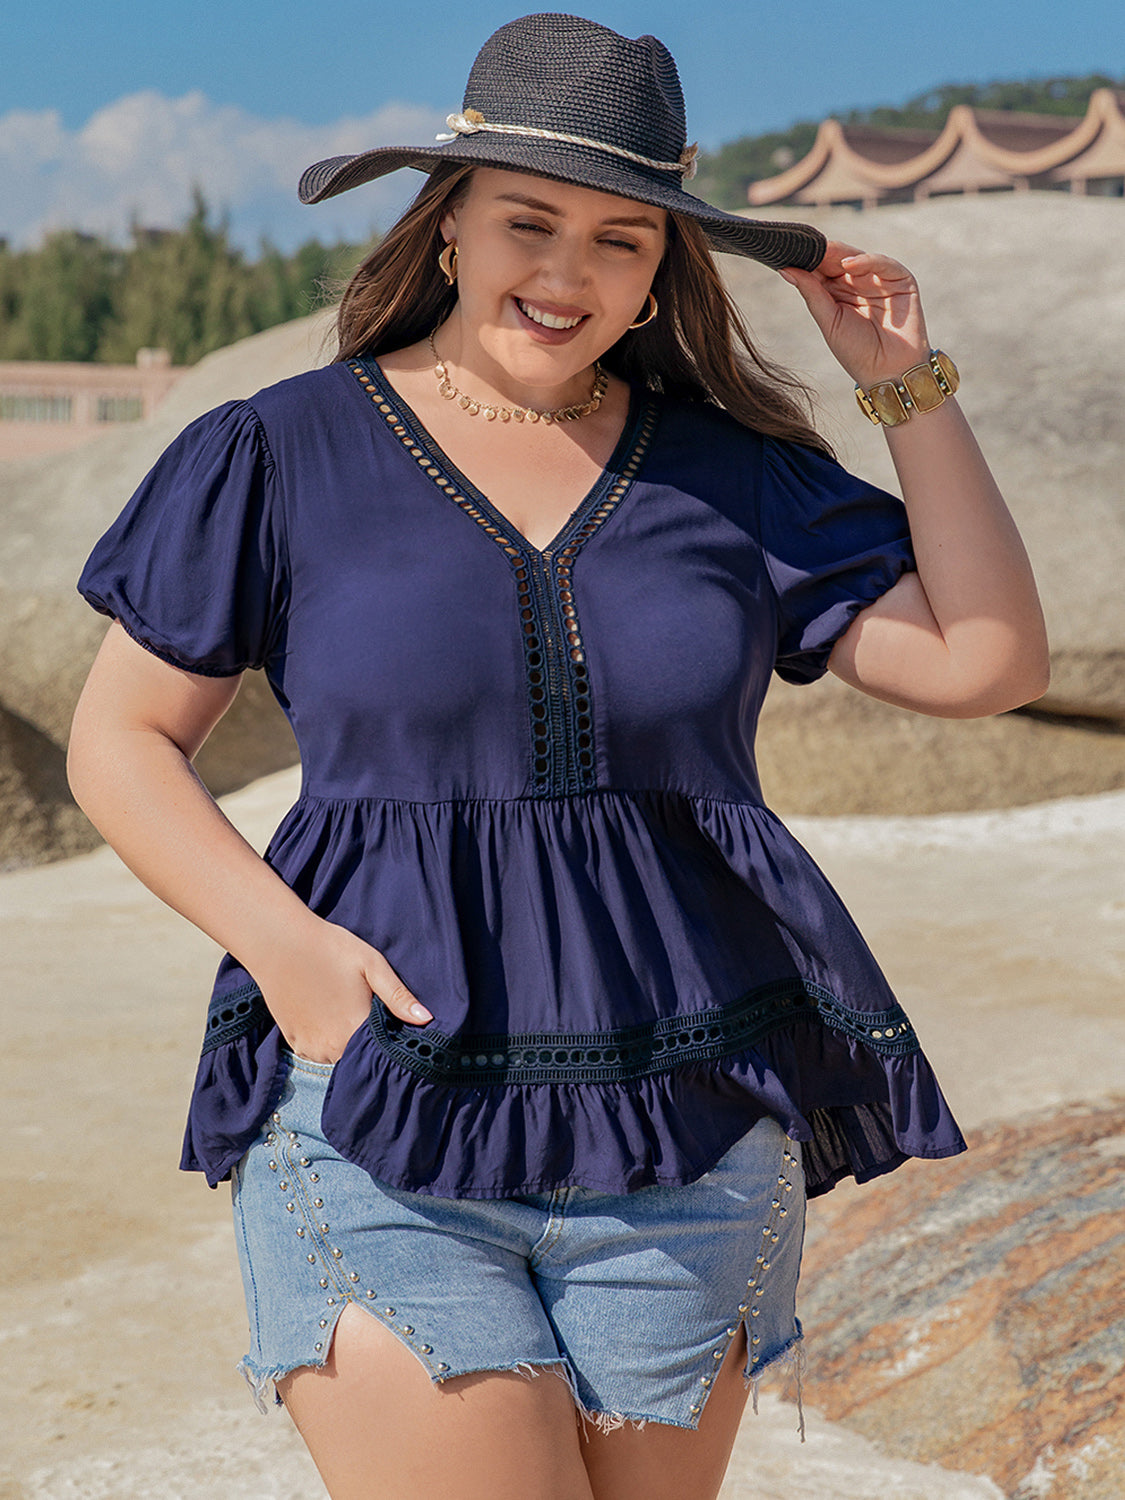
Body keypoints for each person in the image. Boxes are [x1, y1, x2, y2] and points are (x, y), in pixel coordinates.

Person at [66, 14, 1049, 1500]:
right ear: (448, 223)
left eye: (620, 240)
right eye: (528, 221)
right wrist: (288, 952)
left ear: (662, 268)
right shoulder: (276, 452)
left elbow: (987, 663)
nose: (567, 272)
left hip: (690, 1126)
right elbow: (123, 739)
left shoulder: (731, 474)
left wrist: (903, 383)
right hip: (377, 1101)